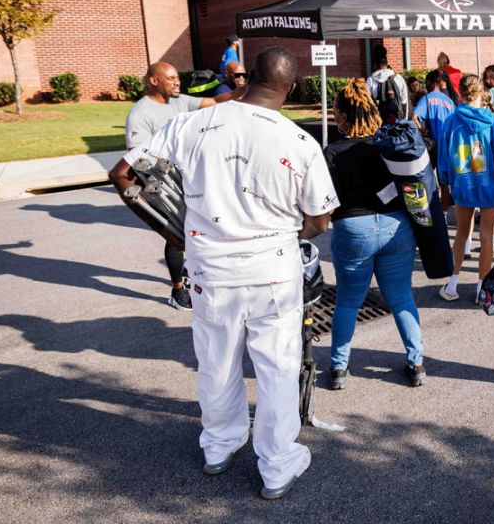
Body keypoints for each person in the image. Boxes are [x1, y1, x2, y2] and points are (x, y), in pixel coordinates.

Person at [108, 46, 336, 500]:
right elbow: (320, 221)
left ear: (246, 77)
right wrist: (291, 229)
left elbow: (123, 175)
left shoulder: (191, 123)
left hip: (210, 268)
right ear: (289, 91)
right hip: (272, 269)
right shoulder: (300, 142)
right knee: (277, 368)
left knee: (216, 362)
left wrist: (171, 231)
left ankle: (219, 446)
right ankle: (276, 466)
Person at [323, 79, 425, 388]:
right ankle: (416, 362)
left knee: (347, 301)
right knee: (401, 297)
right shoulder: (389, 144)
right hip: (396, 226)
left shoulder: (332, 153)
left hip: (353, 228)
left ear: (342, 116)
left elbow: (326, 200)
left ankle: (339, 368)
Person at [123, 61, 238, 311]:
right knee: (178, 234)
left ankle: (199, 275)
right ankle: (177, 290)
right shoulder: (140, 113)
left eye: (177, 78)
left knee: (201, 228)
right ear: (154, 81)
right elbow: (136, 158)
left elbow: (216, 102)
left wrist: (248, 90)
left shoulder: (179, 101)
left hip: (188, 177)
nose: (177, 82)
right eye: (171, 78)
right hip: (162, 184)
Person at [437, 75, 494, 301]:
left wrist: (447, 179)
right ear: (481, 92)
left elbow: (443, 156)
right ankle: (481, 288)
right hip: (489, 184)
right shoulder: (493, 122)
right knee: (487, 237)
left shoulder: (451, 121)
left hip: (462, 183)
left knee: (461, 233)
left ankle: (453, 283)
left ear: (460, 93)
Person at [413, 70, 457, 203]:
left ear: (430, 82)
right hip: (446, 146)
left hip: (430, 145)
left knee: (425, 180)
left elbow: (414, 117)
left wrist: (422, 130)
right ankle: (444, 215)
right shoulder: (449, 101)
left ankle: (428, 210)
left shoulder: (426, 98)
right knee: (444, 183)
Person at [366, 48, 410, 121]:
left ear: (375, 65)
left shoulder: (370, 80)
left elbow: (367, 102)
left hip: (379, 121)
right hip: (398, 120)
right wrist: (405, 120)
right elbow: (404, 101)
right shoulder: (398, 78)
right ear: (387, 63)